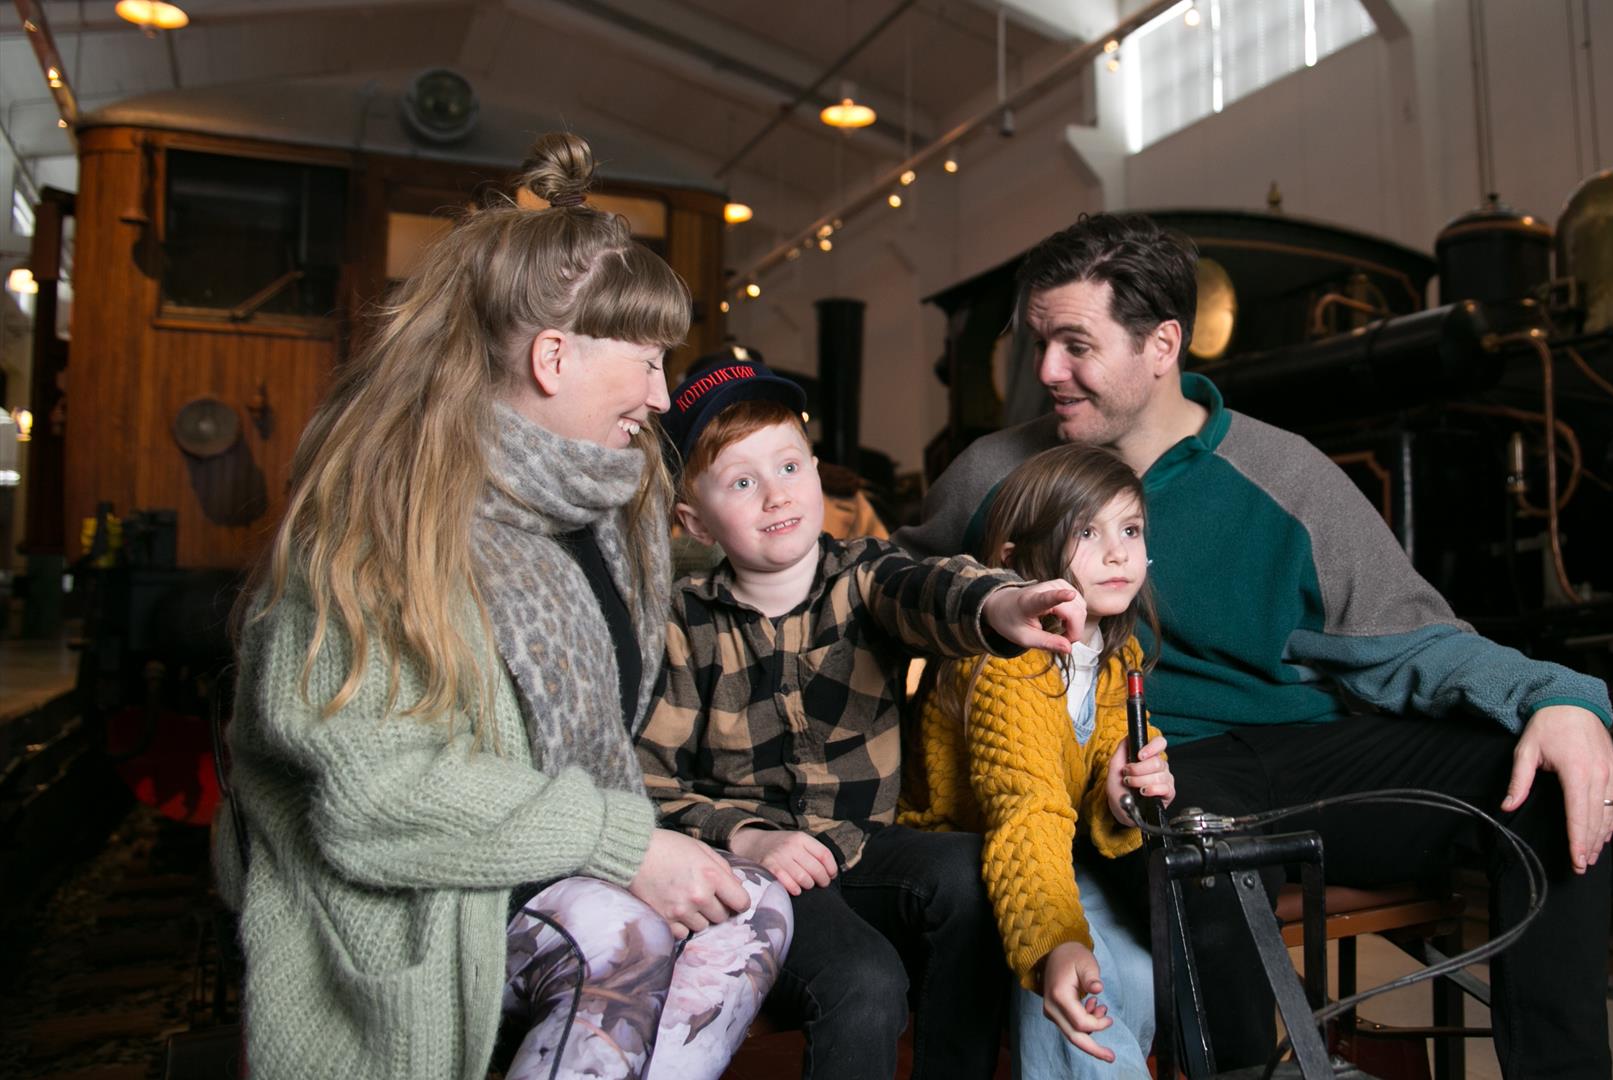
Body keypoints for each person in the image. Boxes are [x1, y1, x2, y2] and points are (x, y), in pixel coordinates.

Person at [895, 212, 1613, 1078]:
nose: (1048, 372)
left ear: (1162, 344)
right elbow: (882, 589)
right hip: (1147, 766)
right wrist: (985, 607)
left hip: (1311, 757)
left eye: (1075, 346)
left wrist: (1559, 697)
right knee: (1197, 840)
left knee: (1547, 777)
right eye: (1041, 345)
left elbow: (1413, 640)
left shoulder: (1286, 475)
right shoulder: (994, 474)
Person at [210, 133, 790, 1080]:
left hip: (553, 845)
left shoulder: (612, 496)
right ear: (554, 357)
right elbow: (372, 798)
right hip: (422, 880)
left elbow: (710, 555)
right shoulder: (379, 533)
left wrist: (973, 589)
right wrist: (626, 845)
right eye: (646, 360)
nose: (661, 394)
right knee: (628, 938)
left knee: (756, 907)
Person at [635, 353, 1095, 1080]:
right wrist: (750, 839)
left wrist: (1001, 605)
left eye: (789, 467)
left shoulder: (865, 575)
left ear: (818, 473)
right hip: (764, 878)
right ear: (694, 518)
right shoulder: (683, 622)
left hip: (866, 847)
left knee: (970, 875)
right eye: (742, 482)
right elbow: (650, 788)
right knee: (866, 980)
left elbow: (931, 591)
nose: (774, 496)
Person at [900, 443, 1175, 1080]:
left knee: (1135, 971)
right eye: (1086, 531)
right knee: (1078, 976)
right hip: (969, 849)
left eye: (1130, 530)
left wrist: (1125, 795)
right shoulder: (1006, 663)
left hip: (1060, 845)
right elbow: (1026, 812)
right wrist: (1055, 939)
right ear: (1014, 560)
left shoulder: (1116, 652)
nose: (1118, 552)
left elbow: (1095, 772)